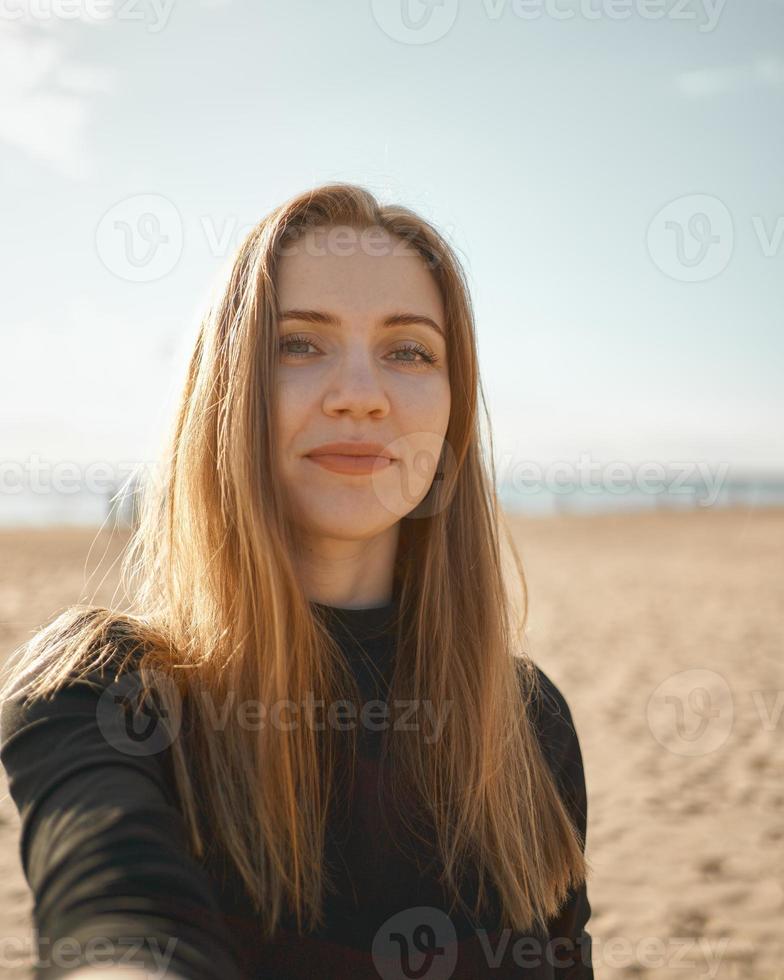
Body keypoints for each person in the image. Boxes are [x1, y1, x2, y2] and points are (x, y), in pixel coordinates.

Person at [0, 183, 594, 979]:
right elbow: (117, 926)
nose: (359, 395)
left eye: (409, 350)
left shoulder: (525, 724)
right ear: (226, 394)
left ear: (452, 408)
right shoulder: (105, 692)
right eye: (299, 345)